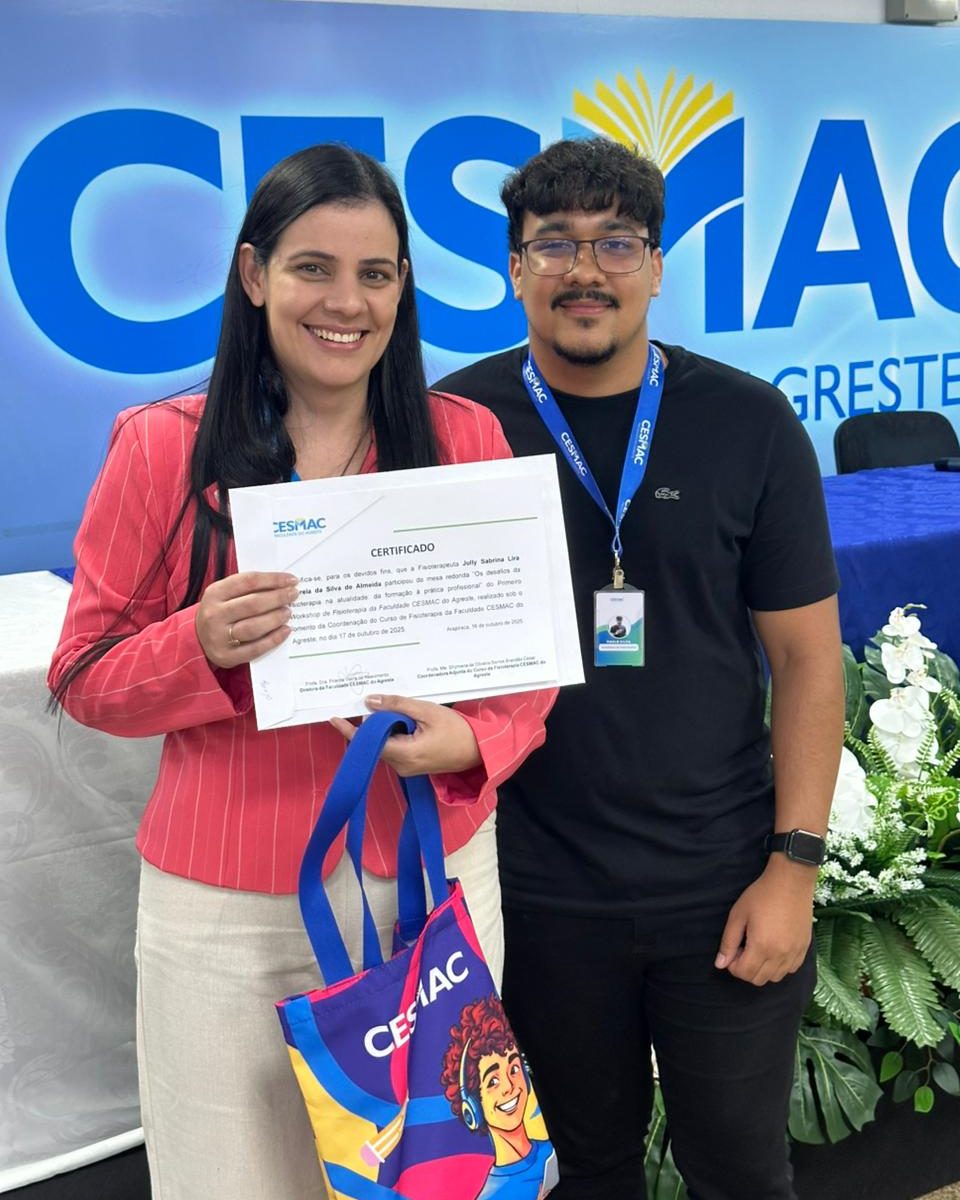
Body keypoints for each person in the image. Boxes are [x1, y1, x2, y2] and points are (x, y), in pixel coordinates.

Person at [48, 144, 553, 1200]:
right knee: (229, 1178)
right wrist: (195, 644)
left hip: (432, 879)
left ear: (403, 288)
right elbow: (84, 675)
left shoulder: (465, 439)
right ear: (253, 274)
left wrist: (477, 739)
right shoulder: (161, 448)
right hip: (228, 907)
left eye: (374, 274)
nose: (345, 303)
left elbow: (527, 663)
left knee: (437, 1177)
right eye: (312, 268)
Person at [434, 137, 844, 1200]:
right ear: (514, 268)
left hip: (722, 878)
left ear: (657, 266)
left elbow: (807, 661)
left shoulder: (748, 423)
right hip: (536, 888)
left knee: (739, 1170)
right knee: (583, 1172)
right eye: (554, 244)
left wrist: (793, 868)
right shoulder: (453, 428)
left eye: (616, 243)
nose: (586, 270)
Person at [442, 995, 559, 1199]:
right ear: (473, 1108)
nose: (509, 1086)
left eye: (514, 1069)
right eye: (493, 1081)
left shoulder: (549, 1153)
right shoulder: (491, 1195)